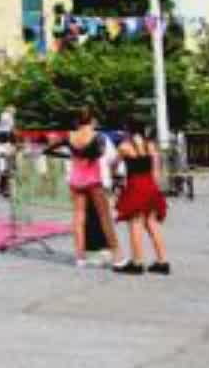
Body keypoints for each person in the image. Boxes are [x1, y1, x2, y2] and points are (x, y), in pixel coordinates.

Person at [65, 108, 121, 269]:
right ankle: (117, 255)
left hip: (75, 179)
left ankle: (80, 257)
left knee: (78, 217)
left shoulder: (71, 136)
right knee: (105, 217)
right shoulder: (99, 137)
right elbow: (109, 158)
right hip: (94, 179)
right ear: (93, 121)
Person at [114, 127, 169, 275]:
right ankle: (162, 262)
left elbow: (113, 164)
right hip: (150, 185)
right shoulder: (150, 145)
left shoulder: (125, 146)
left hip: (135, 185)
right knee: (152, 224)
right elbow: (156, 169)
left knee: (135, 223)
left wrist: (115, 176)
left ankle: (137, 262)